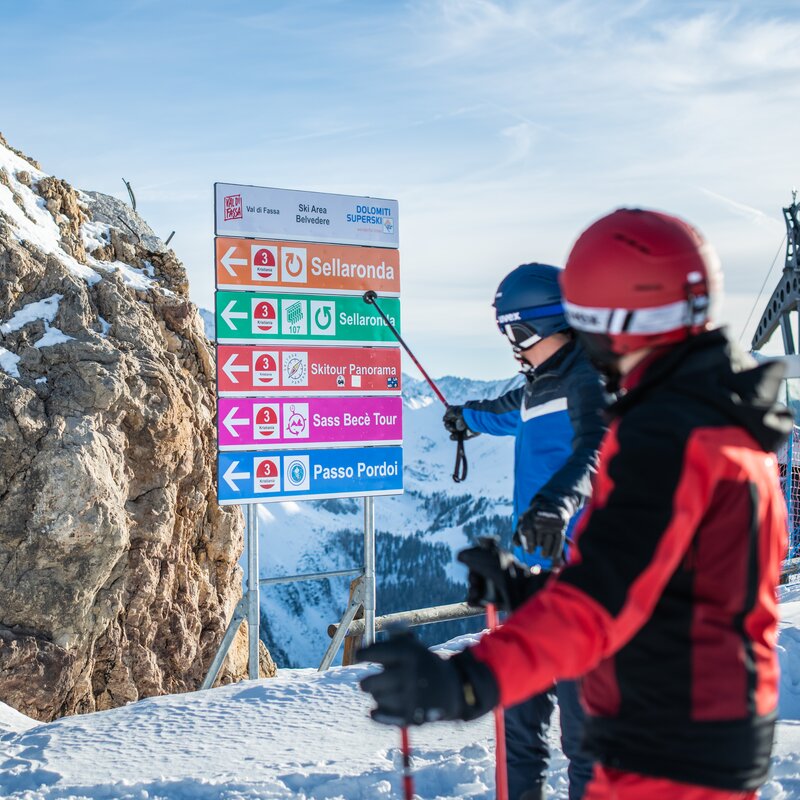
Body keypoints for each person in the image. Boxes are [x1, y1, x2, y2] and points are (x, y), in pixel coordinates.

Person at [359, 208, 792, 800]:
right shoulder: (723, 423)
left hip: (664, 757)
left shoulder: (670, 439)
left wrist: (466, 682)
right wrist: (531, 595)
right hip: (691, 736)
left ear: (614, 322)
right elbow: (672, 589)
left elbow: (601, 603)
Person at [442, 262, 608, 800]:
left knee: (585, 735)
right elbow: (503, 412)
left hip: (584, 582)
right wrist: (466, 417)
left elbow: (596, 448)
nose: (511, 347)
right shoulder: (539, 385)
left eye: (511, 333)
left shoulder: (591, 379)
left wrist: (556, 508)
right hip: (532, 580)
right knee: (518, 724)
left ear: (529, 327)